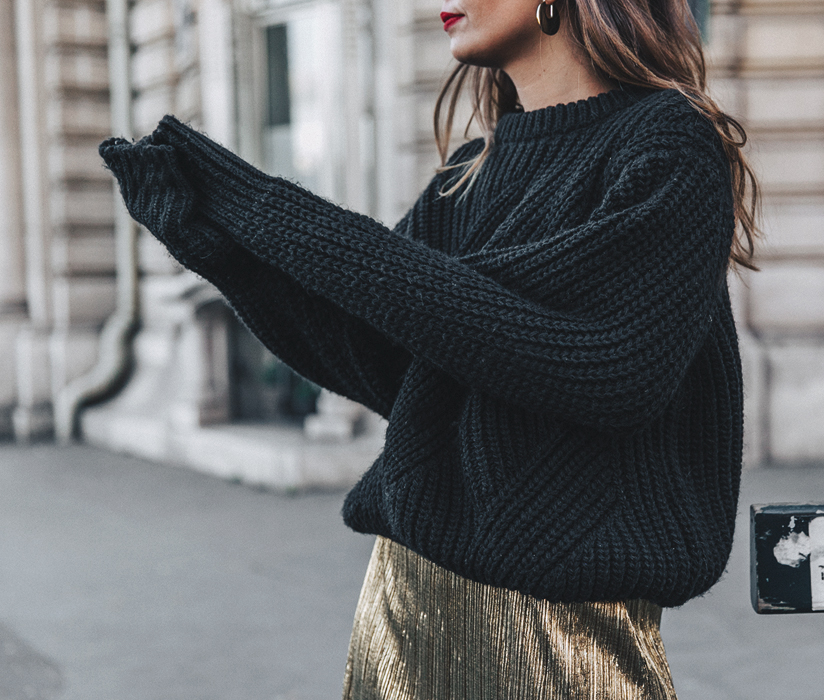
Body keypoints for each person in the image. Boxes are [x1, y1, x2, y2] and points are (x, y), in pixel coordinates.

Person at [99, 0, 759, 696]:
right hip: (402, 610)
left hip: (565, 643)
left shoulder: (666, 146)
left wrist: (262, 208)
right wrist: (222, 253)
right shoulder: (470, 173)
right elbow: (384, 361)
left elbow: (605, 365)